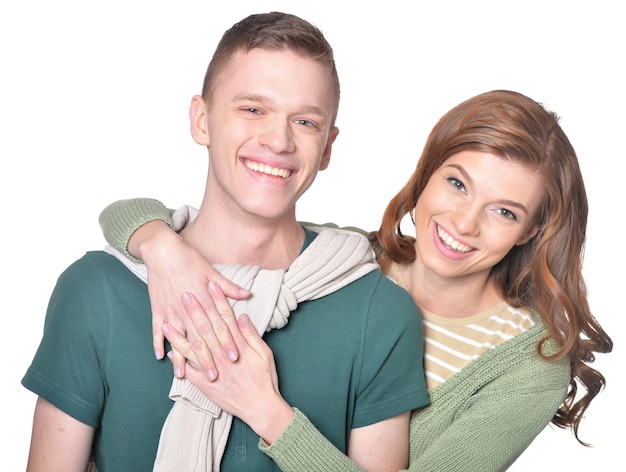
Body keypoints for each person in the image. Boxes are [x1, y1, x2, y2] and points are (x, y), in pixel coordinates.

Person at [99, 89, 613, 471]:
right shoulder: (346, 260)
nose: (463, 223)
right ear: (426, 174)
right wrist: (163, 249)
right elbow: (128, 214)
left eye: (503, 211)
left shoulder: (528, 367)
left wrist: (267, 412)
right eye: (457, 183)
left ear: (532, 230)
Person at [22, 12, 428, 472]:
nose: (278, 140)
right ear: (201, 120)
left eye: (306, 122)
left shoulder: (379, 312)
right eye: (253, 109)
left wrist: (271, 414)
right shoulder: (96, 290)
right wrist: (158, 246)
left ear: (328, 147)